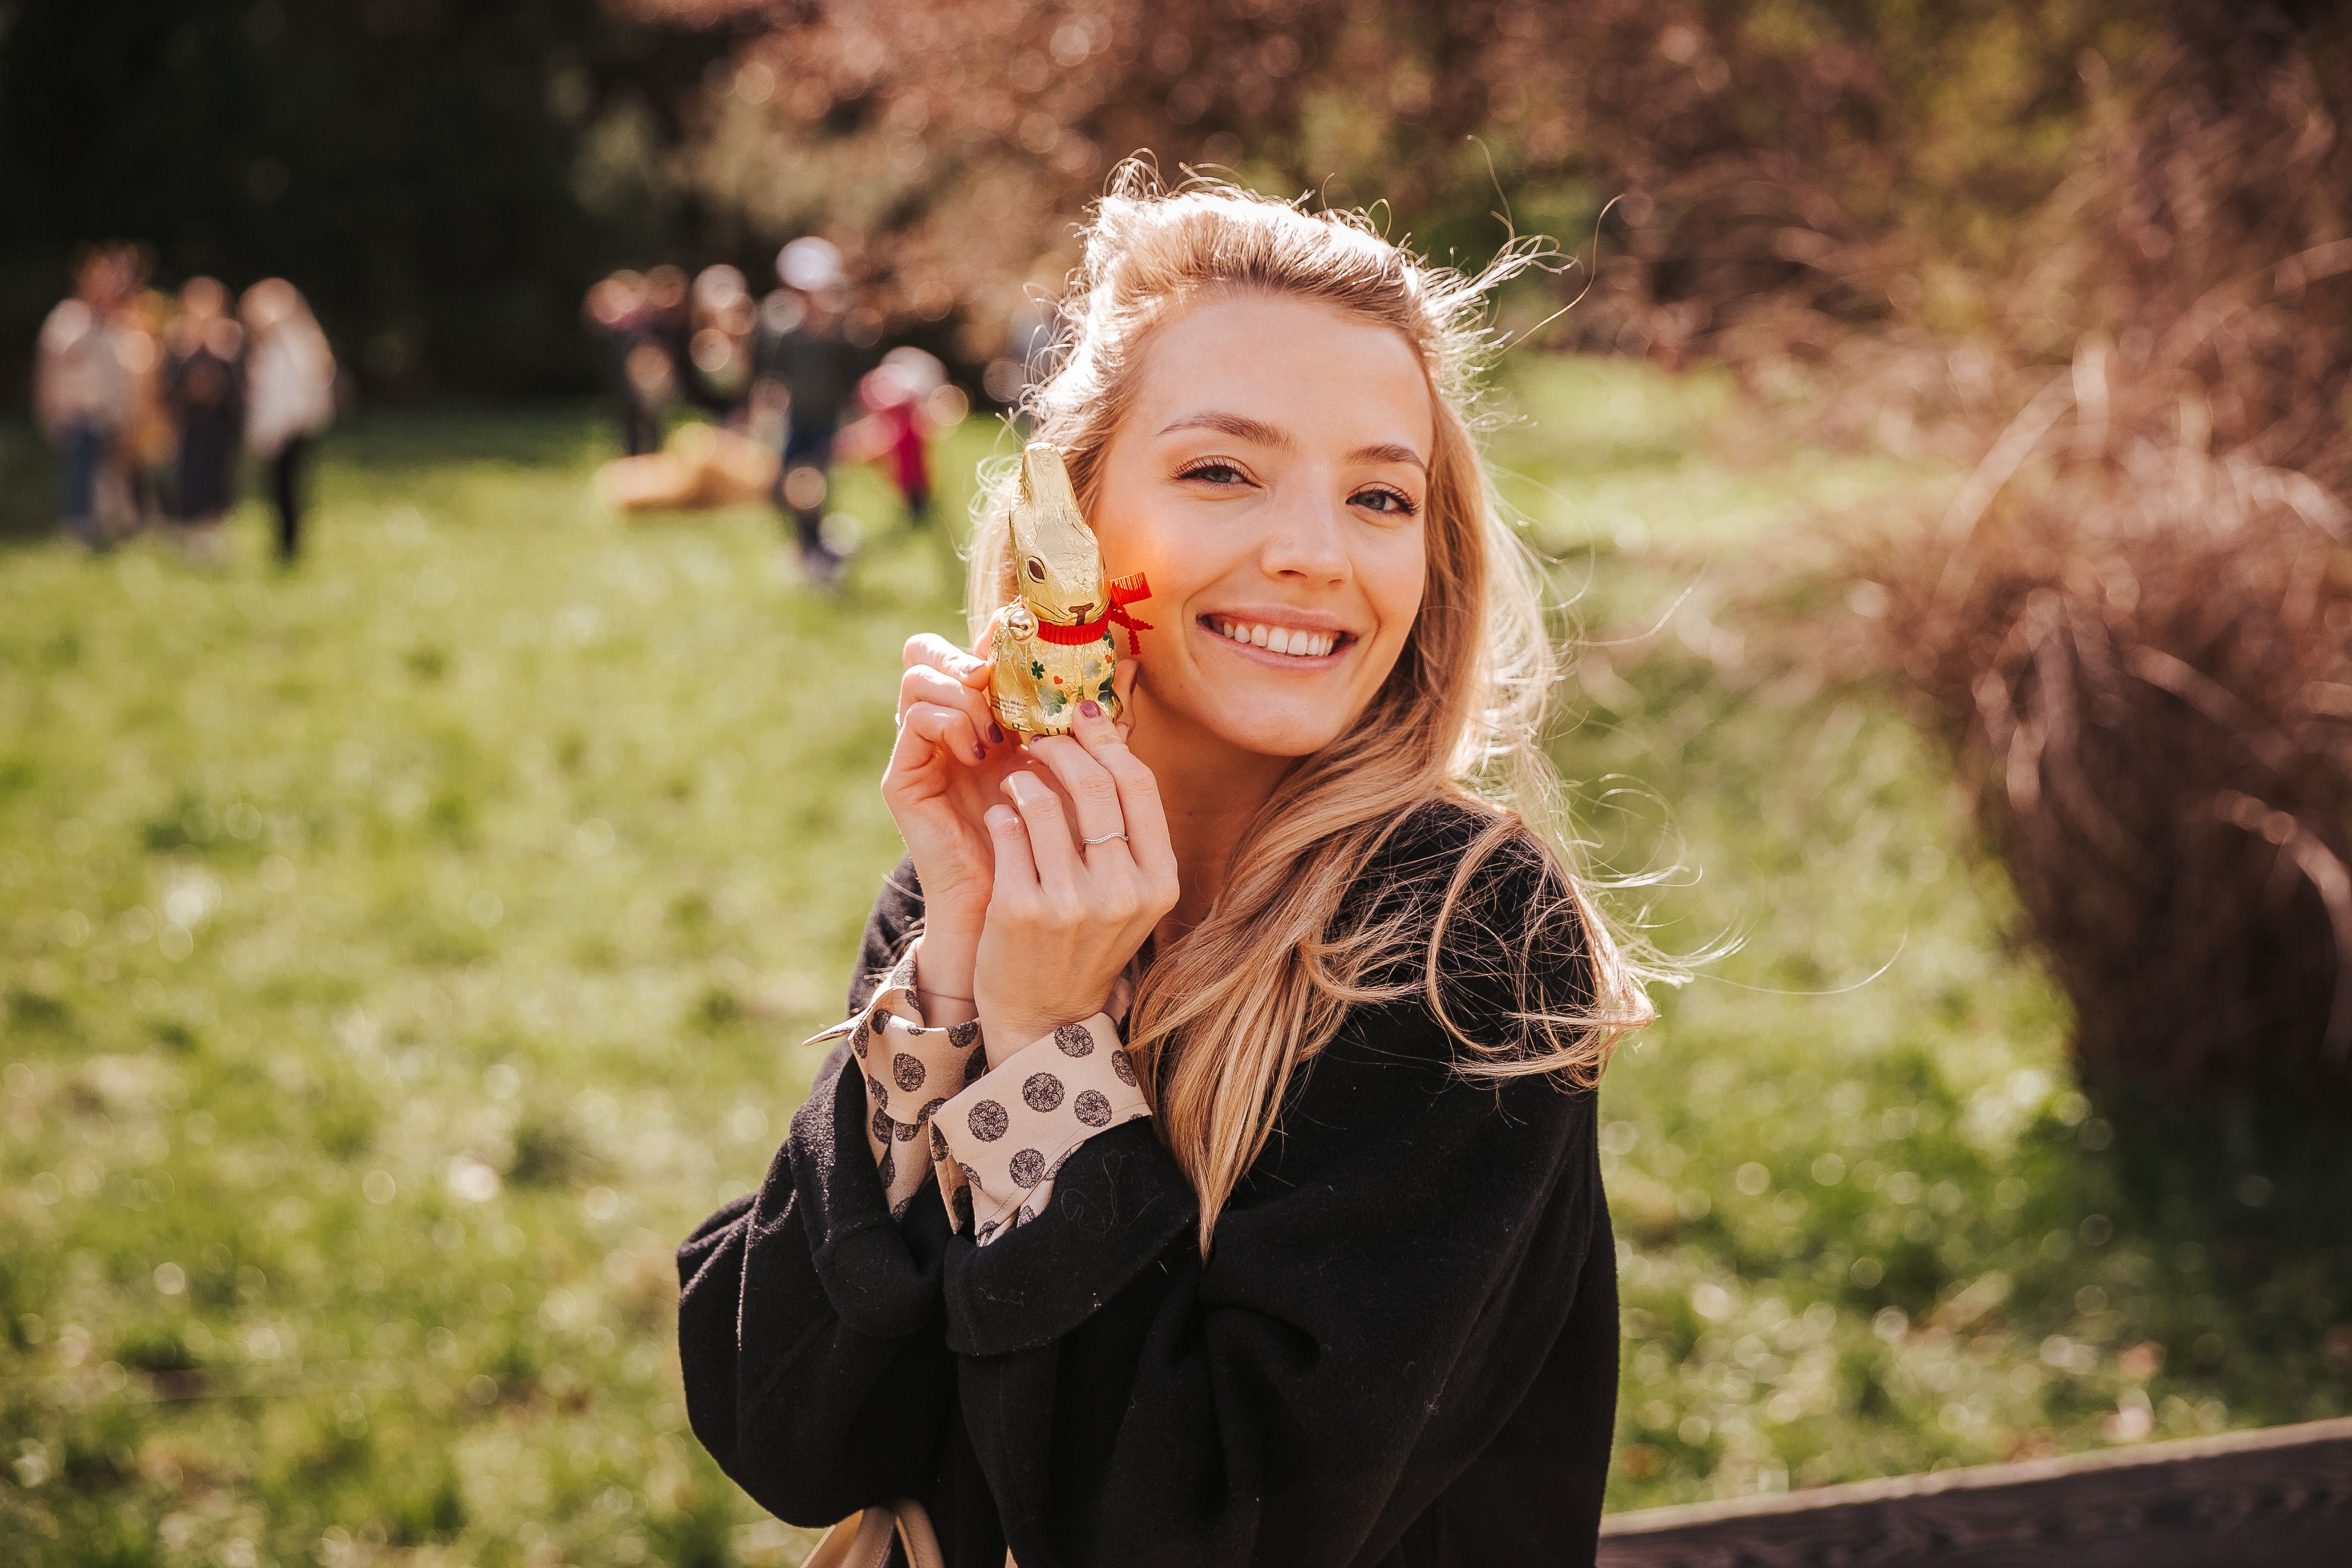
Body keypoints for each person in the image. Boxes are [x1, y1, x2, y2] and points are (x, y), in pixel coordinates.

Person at [676, 175, 1656, 1567]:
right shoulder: (987, 878)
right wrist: (950, 978)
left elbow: (1203, 1535)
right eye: (1221, 472)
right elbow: (788, 1428)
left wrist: (1043, 1058)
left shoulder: (1457, 933)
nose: (1313, 553)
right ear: (1068, 519)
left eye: (1380, 496)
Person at [754, 236, 864, 583]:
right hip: (796, 419)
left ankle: (817, 549)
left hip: (825, 420)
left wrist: (854, 419)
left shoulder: (841, 336)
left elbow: (852, 379)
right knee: (786, 485)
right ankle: (807, 545)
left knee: (816, 484)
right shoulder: (787, 334)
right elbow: (774, 377)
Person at [33, 246, 135, 546]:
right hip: (77, 414)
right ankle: (76, 533)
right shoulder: (68, 319)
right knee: (78, 476)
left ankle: (105, 530)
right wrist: (49, 410)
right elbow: (50, 370)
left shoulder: (116, 324)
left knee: (106, 478)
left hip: (108, 415)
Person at [241, 279, 336, 561]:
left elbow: (293, 397)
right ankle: (285, 548)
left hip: (289, 432)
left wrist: (275, 433)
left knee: (286, 492)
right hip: (283, 432)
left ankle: (288, 549)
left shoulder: (291, 345)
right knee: (279, 493)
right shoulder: (280, 344)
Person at [164, 276, 245, 559]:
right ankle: (189, 534)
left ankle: (214, 532)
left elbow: (239, 381)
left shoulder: (230, 337)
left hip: (220, 423)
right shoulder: (177, 339)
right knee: (188, 476)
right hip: (188, 422)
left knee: (218, 475)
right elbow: (167, 382)